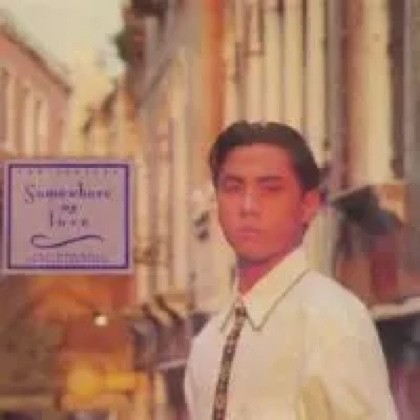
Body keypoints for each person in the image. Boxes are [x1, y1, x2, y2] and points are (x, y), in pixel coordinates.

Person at [183, 121, 398, 419]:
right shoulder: (207, 344)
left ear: (308, 205)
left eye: (270, 189)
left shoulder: (333, 322)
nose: (248, 206)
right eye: (233, 188)